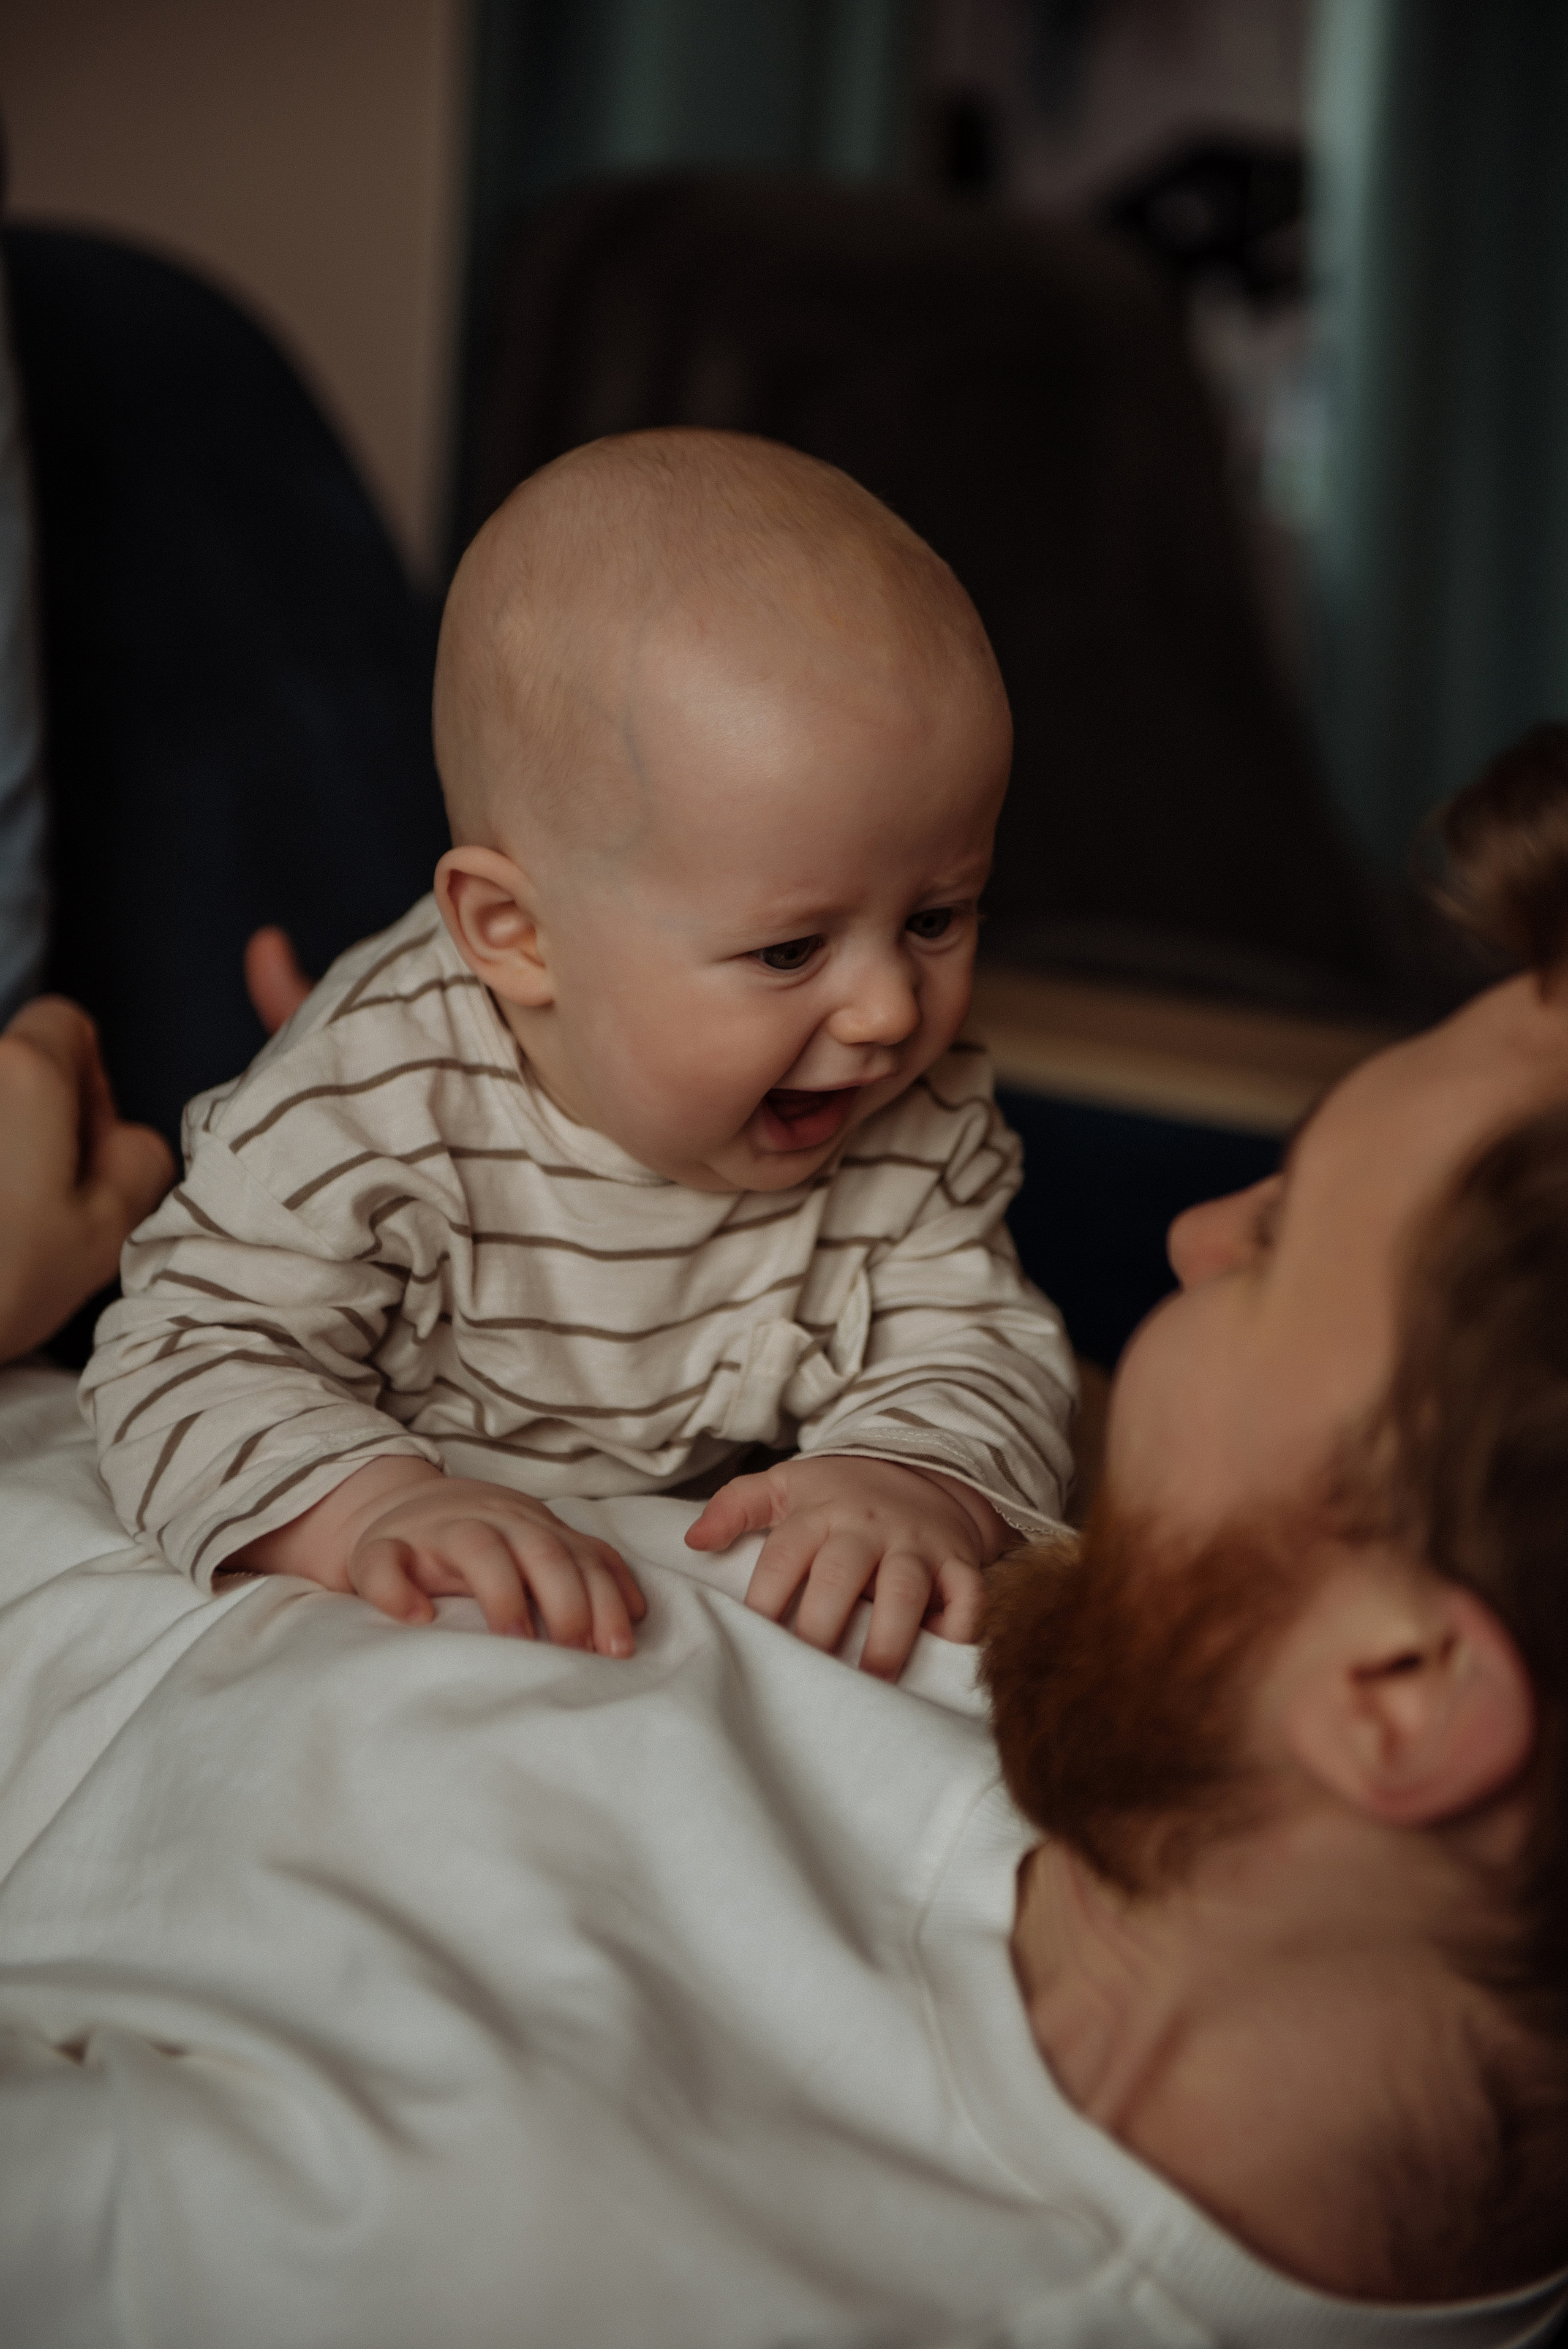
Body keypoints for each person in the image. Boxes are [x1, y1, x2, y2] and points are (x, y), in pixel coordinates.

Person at [3, 738, 1568, 2339]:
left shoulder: (424, 2250)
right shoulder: (1143, 1665)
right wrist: (523, 1166)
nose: (1184, 1238)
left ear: (1402, 1691)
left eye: (1284, 1234)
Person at [80, 431, 1076, 1682]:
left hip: (659, 1579)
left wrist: (909, 1472)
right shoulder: (382, 1104)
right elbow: (180, 1345)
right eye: (788, 951)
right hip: (410, 1552)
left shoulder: (908, 1107)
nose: (884, 1010)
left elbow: (975, 1341)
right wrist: (368, 1506)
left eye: (935, 918)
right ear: (517, 936)